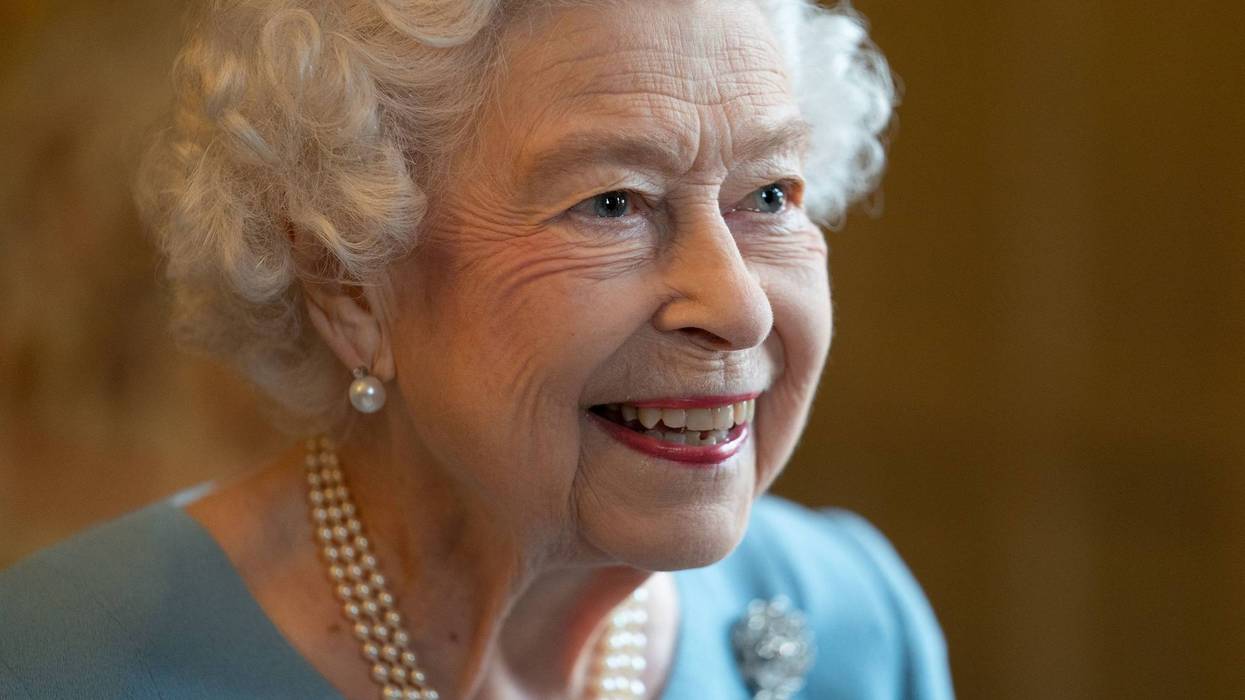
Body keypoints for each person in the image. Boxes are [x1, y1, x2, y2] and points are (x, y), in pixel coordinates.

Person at [0, 0, 953, 698]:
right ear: (350, 286)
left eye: (771, 196)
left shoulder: (853, 624)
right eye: (613, 202)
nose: (738, 308)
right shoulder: (56, 662)